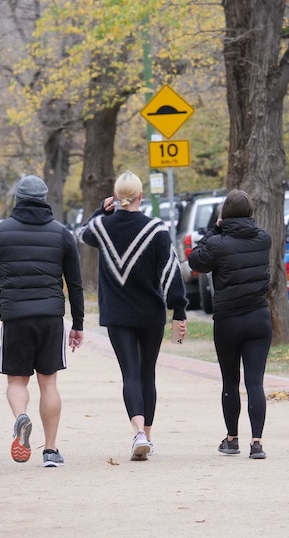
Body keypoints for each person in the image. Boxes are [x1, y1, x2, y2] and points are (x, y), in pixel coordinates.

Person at [80, 170, 187, 461]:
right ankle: (148, 437)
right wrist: (179, 309)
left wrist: (99, 210)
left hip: (118, 314)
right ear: (141, 196)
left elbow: (82, 232)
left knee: (129, 372)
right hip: (151, 314)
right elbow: (170, 271)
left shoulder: (102, 227)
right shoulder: (157, 229)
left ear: (116, 197)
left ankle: (138, 432)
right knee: (147, 373)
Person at [0, 175, 84, 468]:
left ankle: (20, 418)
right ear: (44, 198)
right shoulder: (62, 234)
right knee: (48, 383)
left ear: (18, 198)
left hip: (16, 317)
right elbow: (74, 283)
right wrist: (78, 323)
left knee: (17, 381)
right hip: (50, 317)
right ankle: (50, 450)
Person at [189, 189, 273, 459]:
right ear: (250, 213)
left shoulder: (218, 243)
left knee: (230, 382)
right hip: (259, 317)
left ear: (224, 215)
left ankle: (232, 438)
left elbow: (196, 260)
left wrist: (214, 229)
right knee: (255, 382)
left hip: (228, 320)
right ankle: (257, 442)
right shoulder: (264, 239)